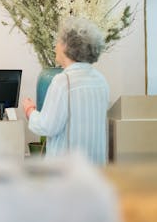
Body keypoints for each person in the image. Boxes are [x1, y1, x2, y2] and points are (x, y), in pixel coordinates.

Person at [22, 17, 109, 165]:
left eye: (58, 41)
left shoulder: (63, 81)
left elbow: (47, 126)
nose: (55, 46)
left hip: (67, 170)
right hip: (96, 167)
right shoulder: (100, 80)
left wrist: (30, 110)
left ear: (67, 46)